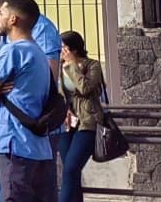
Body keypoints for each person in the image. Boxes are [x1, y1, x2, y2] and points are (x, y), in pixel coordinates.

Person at [0, 0, 61, 201]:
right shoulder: (22, 44)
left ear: (13, 15)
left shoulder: (32, 36)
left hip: (18, 136)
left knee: (14, 190)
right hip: (24, 136)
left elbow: (48, 76)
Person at [58, 30, 104, 202]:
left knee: (71, 167)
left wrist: (72, 66)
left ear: (74, 49)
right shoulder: (57, 67)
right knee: (70, 171)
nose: (60, 52)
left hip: (87, 122)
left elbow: (85, 88)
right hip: (65, 122)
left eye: (63, 48)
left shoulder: (92, 65)